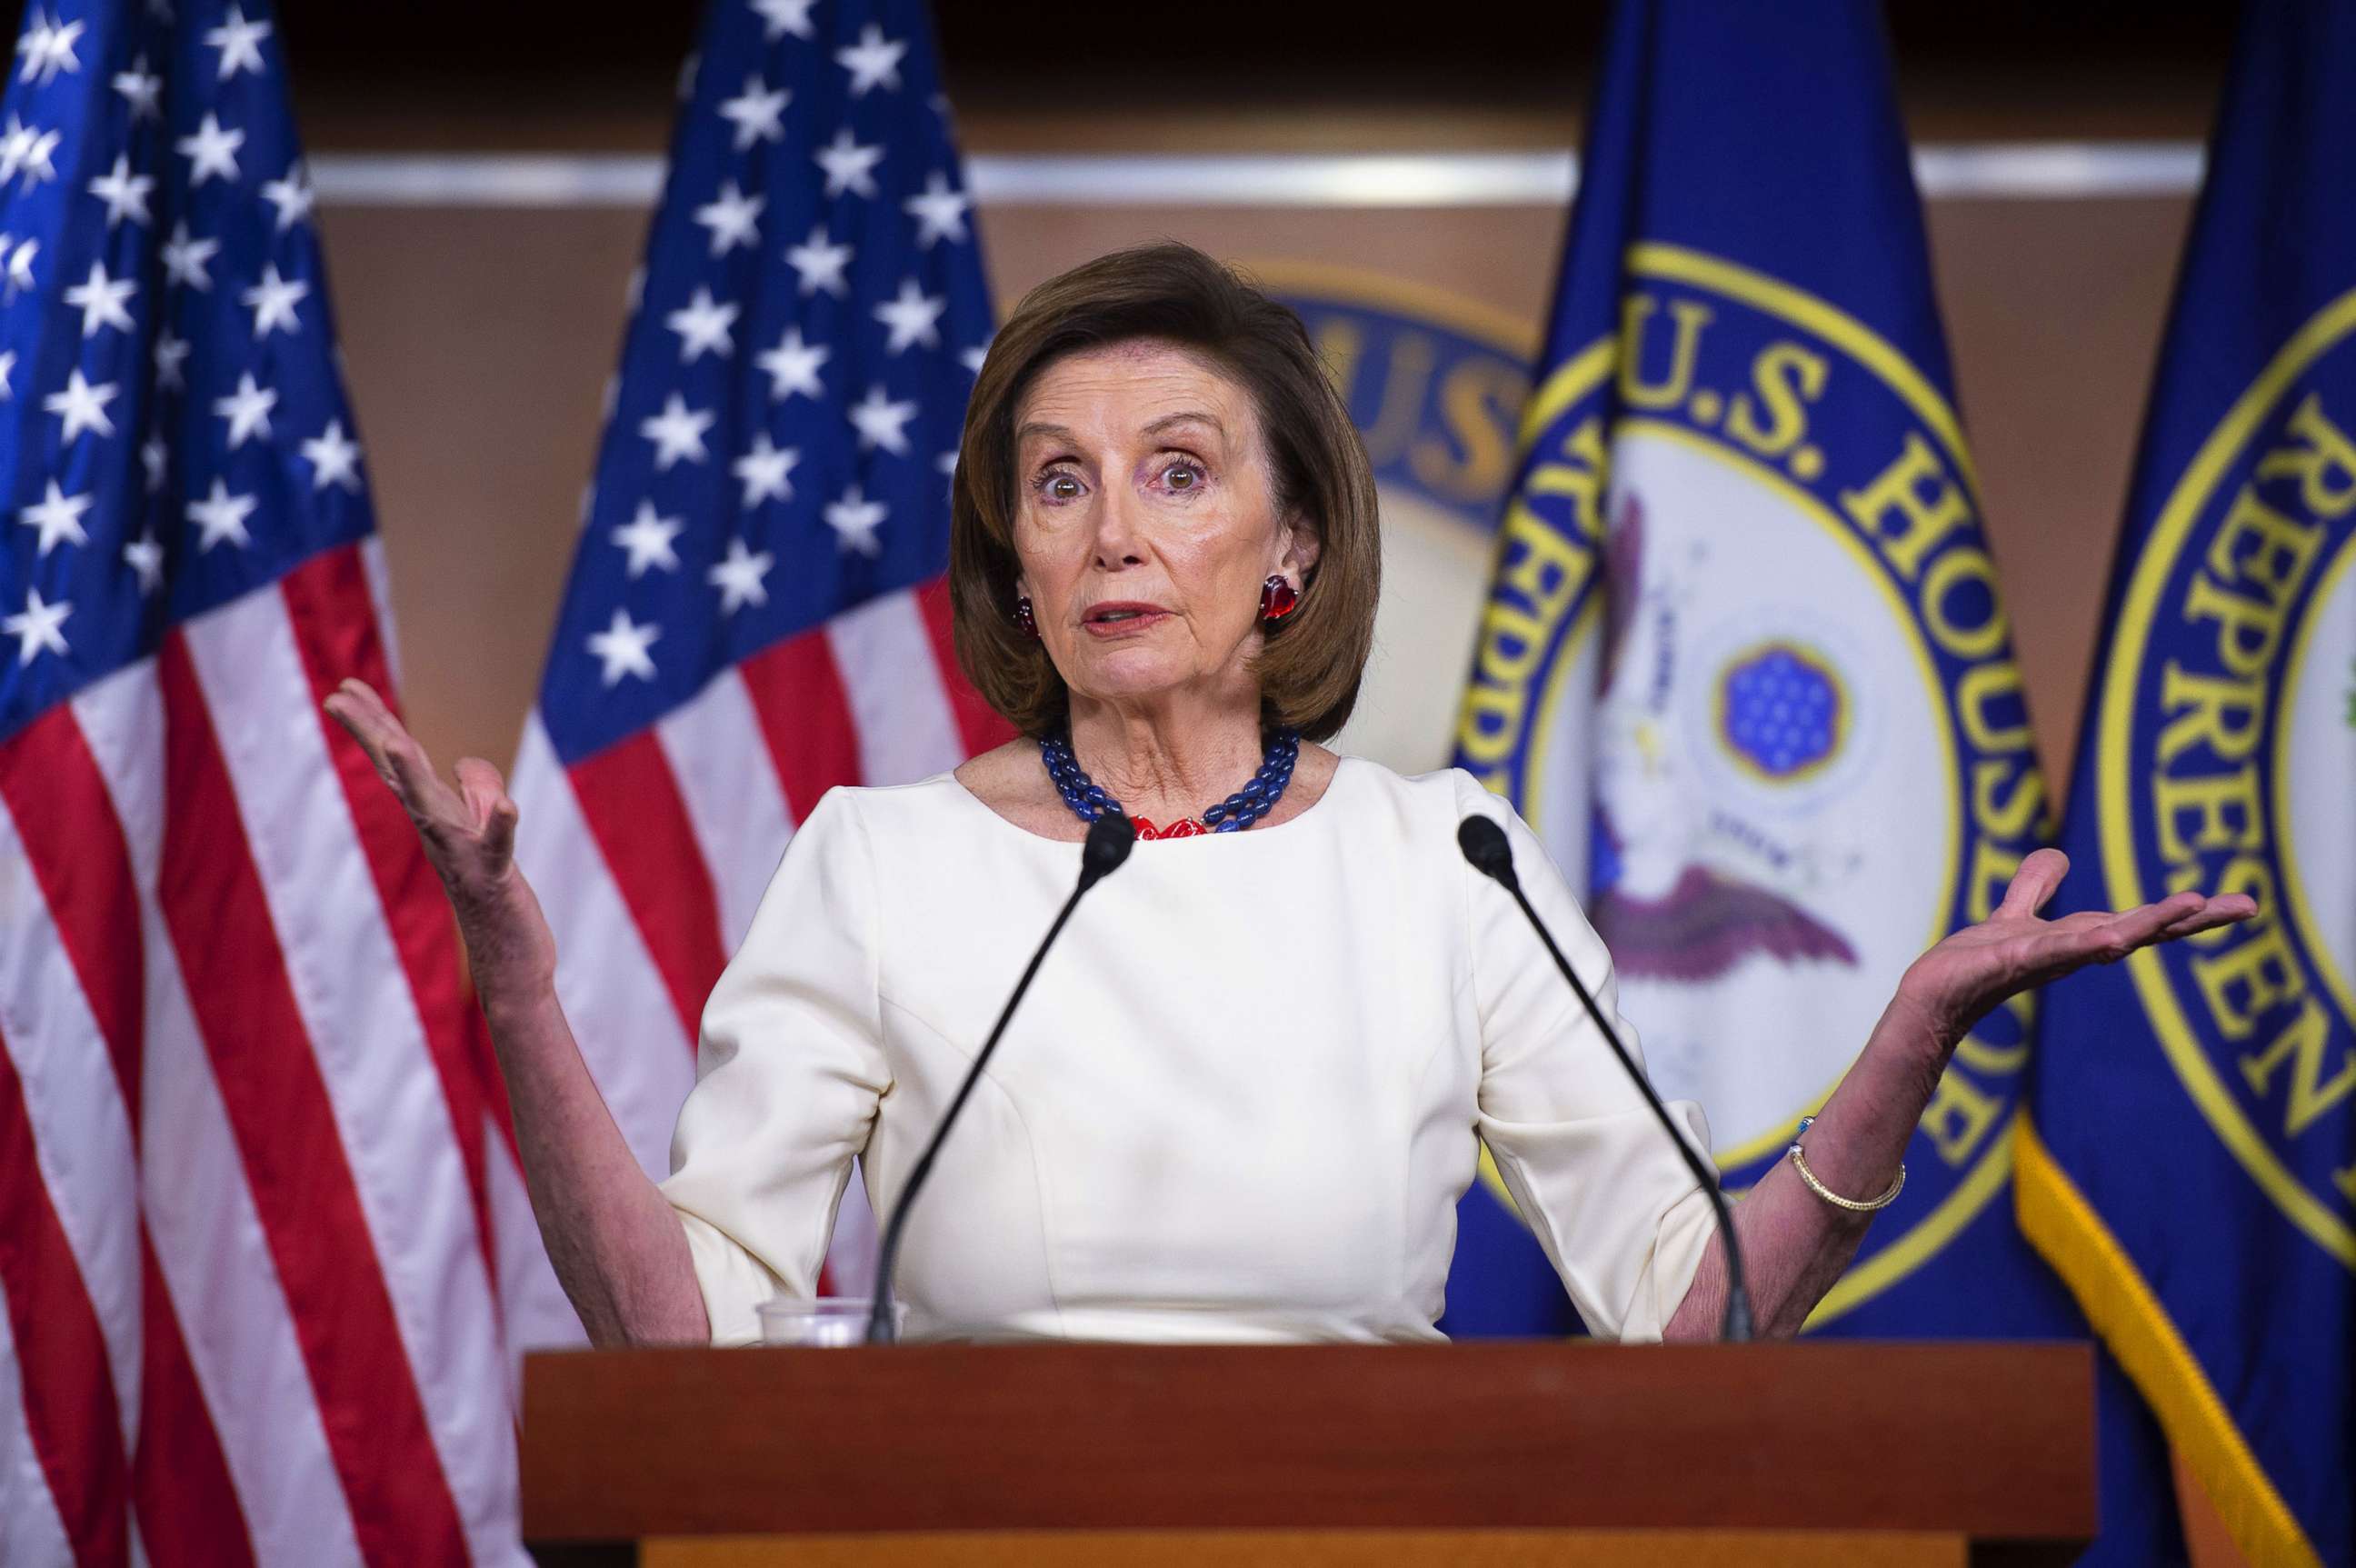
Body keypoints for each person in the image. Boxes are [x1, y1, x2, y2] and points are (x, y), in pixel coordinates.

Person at [325, 241, 2251, 1347]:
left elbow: (1689, 1311)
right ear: (1011, 564)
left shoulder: (1450, 861)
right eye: (1058, 482)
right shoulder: (879, 860)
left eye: (1175, 468)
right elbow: (686, 1333)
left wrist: (1903, 1037)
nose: (1108, 526)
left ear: (1290, 555)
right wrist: (513, 967)